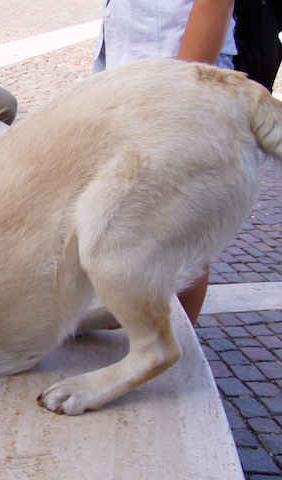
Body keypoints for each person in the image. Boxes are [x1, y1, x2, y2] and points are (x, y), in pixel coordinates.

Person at [93, 0, 236, 324]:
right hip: (131, 67)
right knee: (132, 222)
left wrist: (179, 95)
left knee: (179, 231)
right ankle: (149, 342)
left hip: (178, 76)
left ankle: (170, 356)